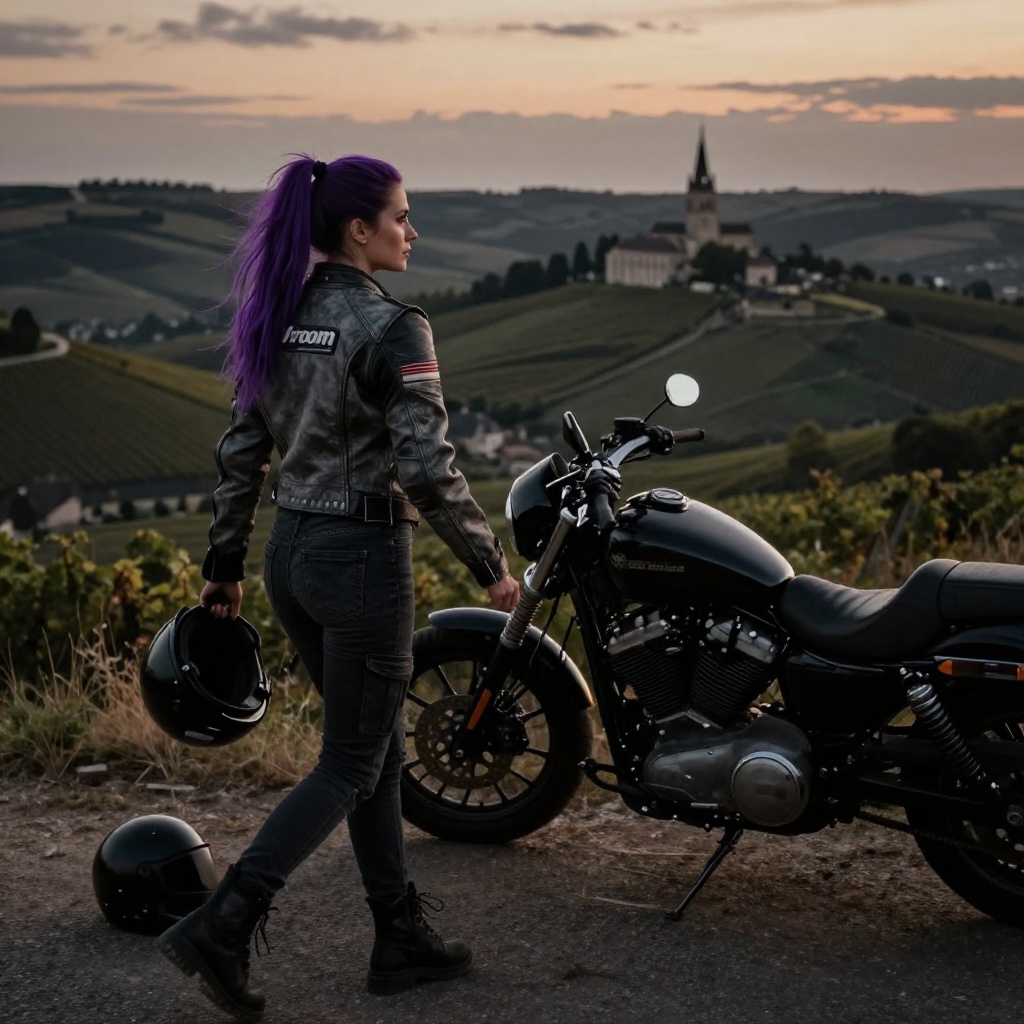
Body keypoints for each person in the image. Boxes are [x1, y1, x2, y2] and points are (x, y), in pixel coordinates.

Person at [156, 153, 520, 1021]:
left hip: (290, 556)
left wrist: (224, 567)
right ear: (359, 230)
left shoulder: (276, 316)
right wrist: (491, 567)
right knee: (353, 761)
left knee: (379, 756)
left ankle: (397, 936)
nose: (411, 231)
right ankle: (225, 924)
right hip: (361, 561)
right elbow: (429, 470)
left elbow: (243, 453)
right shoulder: (395, 328)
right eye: (401, 216)